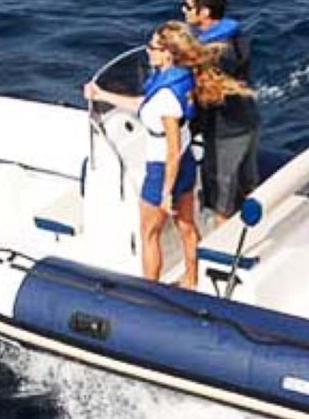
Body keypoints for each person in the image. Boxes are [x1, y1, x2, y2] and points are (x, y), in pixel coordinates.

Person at [84, 21, 252, 289]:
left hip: (164, 168)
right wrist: (102, 94)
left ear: (168, 54)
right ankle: (191, 279)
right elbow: (143, 104)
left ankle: (150, 292)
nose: (147, 51)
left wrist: (165, 193)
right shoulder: (181, 79)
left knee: (149, 233)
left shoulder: (166, 98)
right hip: (186, 162)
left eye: (152, 47)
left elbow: (170, 150)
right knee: (186, 225)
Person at [182, 0, 260, 224]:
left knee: (220, 196)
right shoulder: (235, 37)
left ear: (204, 12)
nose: (183, 10)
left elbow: (209, 91)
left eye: (188, 7)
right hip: (247, 121)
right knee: (247, 182)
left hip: (225, 132)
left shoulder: (216, 54)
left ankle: (222, 239)